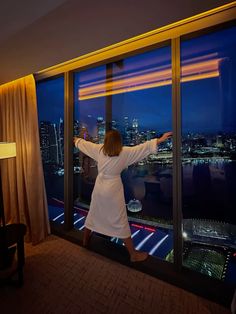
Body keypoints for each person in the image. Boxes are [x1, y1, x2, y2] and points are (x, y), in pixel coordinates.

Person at [74, 129, 172, 262]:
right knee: (120, 220)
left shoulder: (99, 150)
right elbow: (142, 148)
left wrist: (76, 140)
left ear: (106, 141)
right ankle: (132, 254)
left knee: (94, 213)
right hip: (113, 190)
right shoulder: (124, 153)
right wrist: (159, 140)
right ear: (118, 141)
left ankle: (85, 241)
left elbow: (84, 145)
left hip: (100, 189)